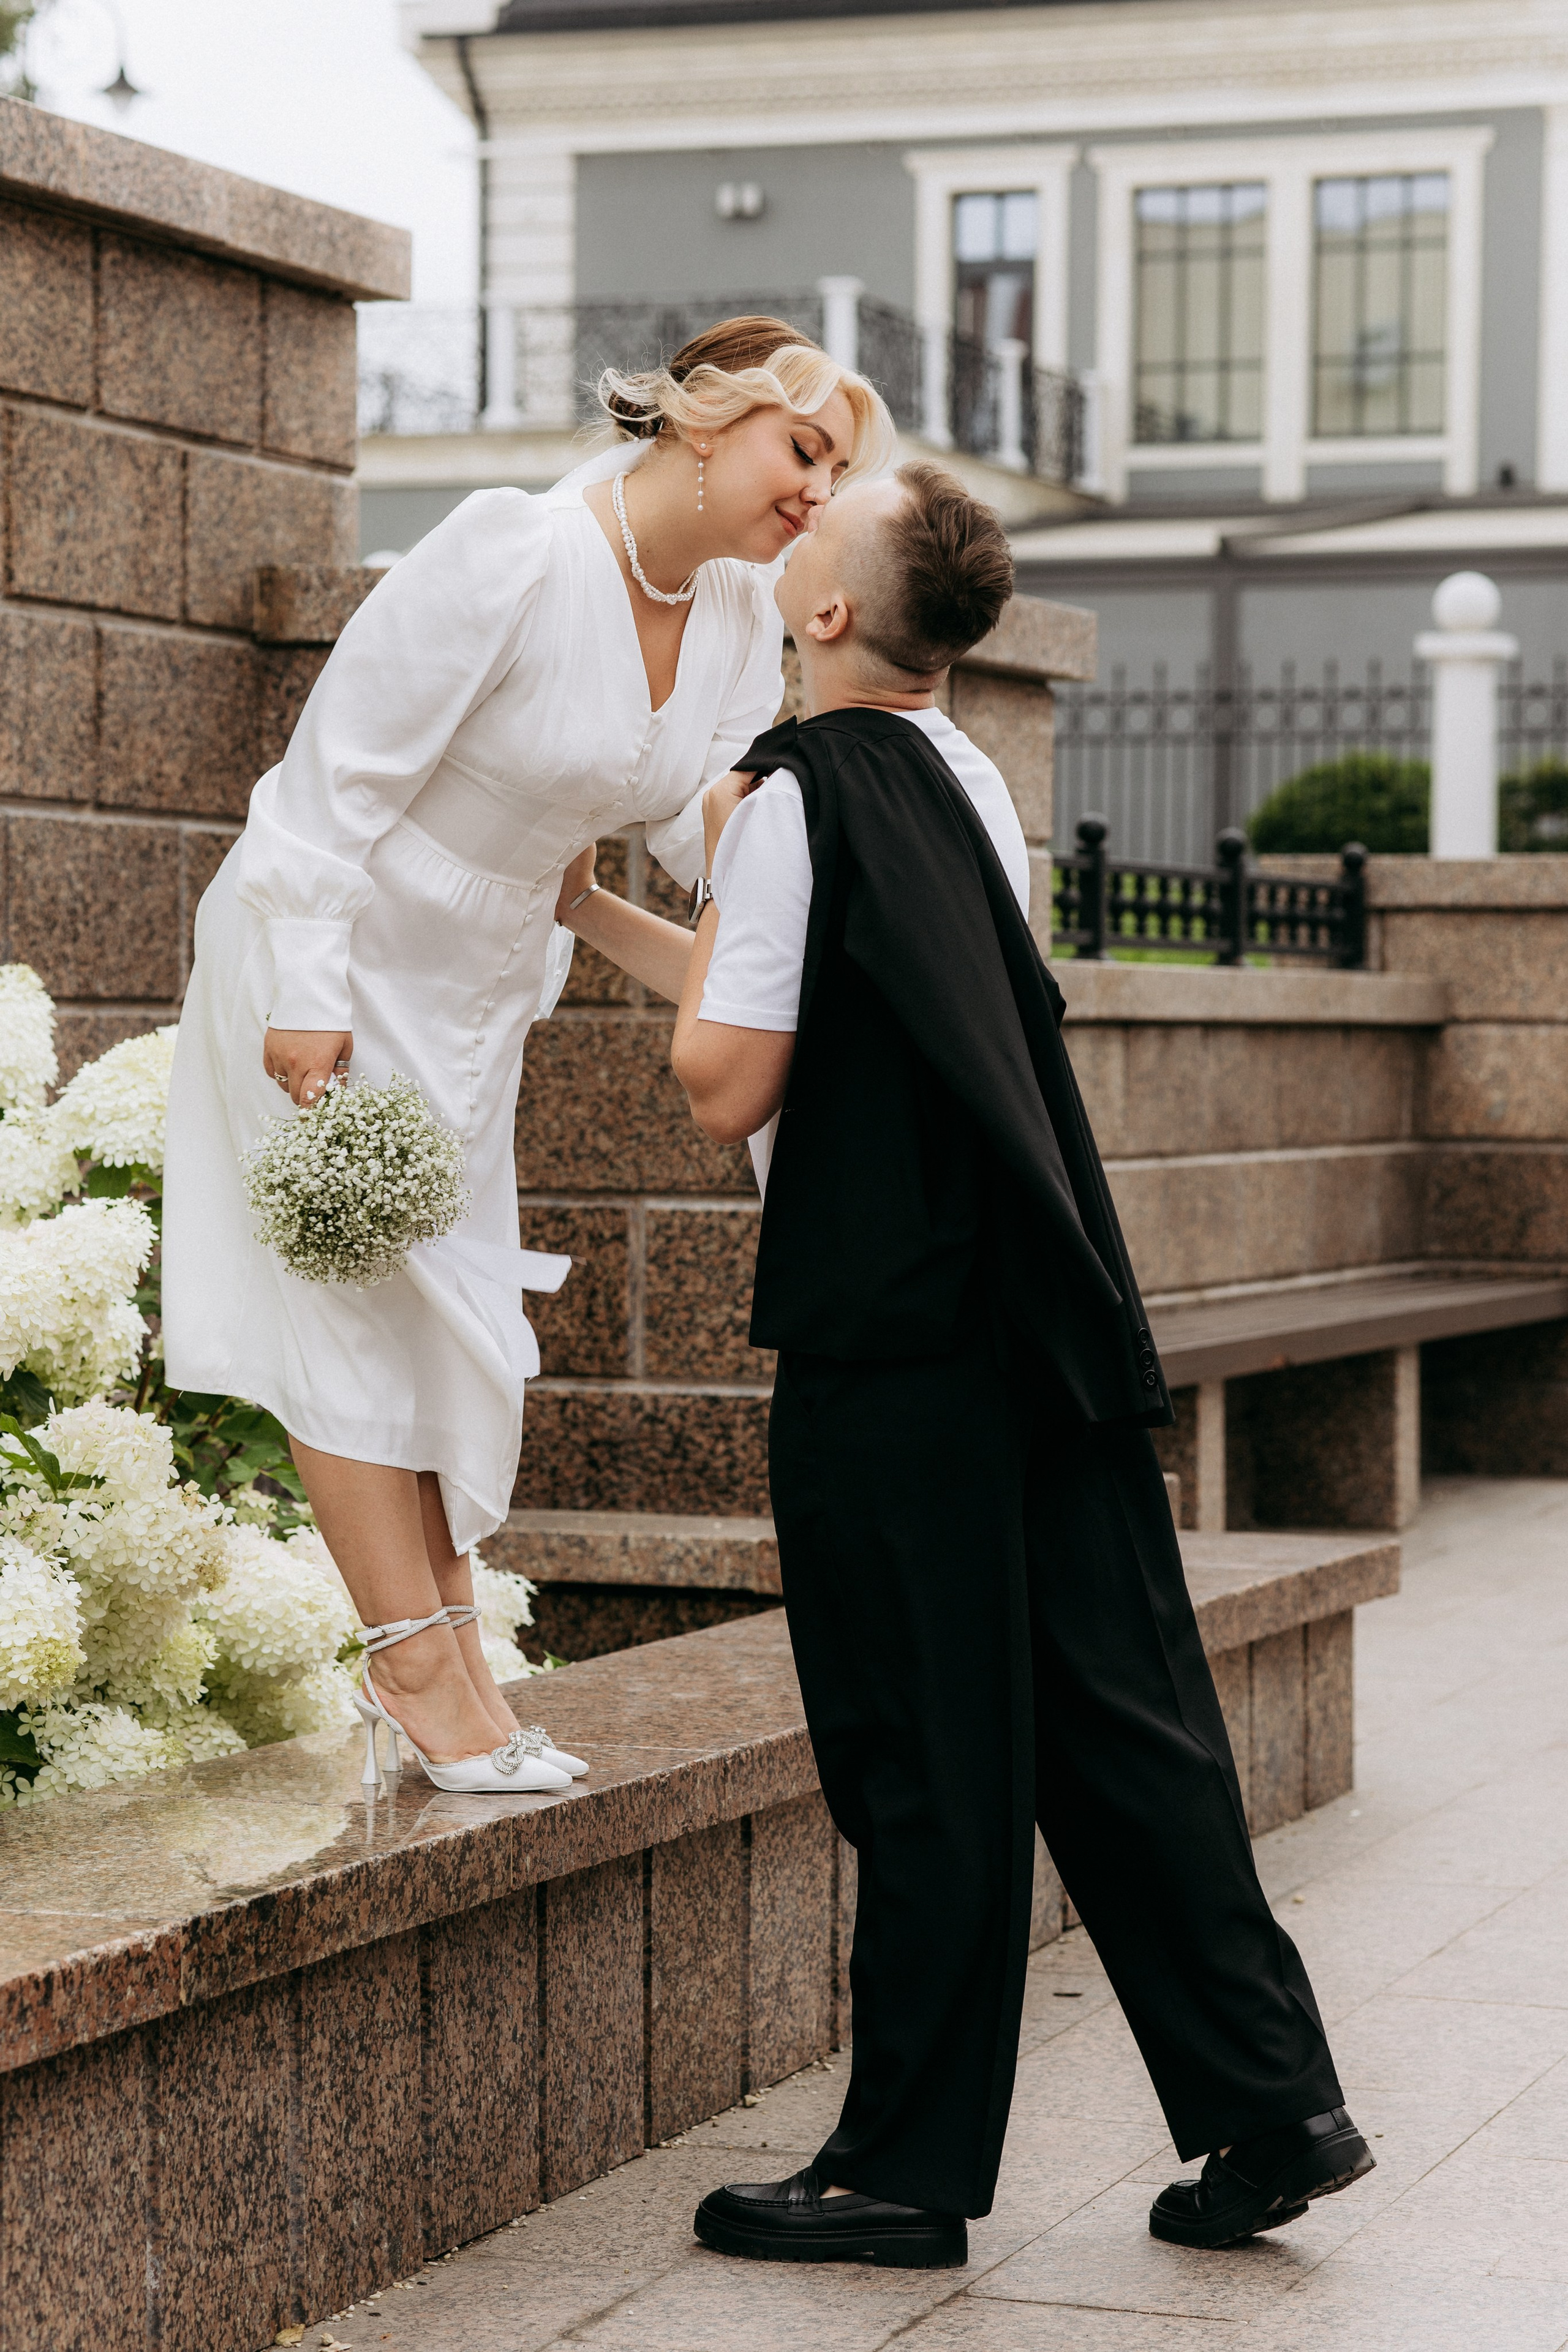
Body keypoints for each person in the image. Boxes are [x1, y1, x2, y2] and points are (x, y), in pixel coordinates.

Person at [562, 461, 1373, 2267]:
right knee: (1120, 1720)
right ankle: (1273, 2104)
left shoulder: (791, 795)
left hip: (895, 1332)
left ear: (829, 611)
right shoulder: (965, 778)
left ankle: (901, 2172)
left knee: (922, 1743)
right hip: (1041, 1307)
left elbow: (727, 1082)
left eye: (819, 526)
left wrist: (725, 842)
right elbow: (827, 1003)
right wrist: (596, 913)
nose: (796, 520)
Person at [161, 317, 895, 1795]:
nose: (819, 493)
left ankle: (455, 1669)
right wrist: (306, 991)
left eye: (838, 473)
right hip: (333, 956)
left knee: (447, 1326)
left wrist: (851, 899)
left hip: (480, 993)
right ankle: (414, 1669)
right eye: (804, 451)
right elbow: (326, 783)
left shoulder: (737, 614)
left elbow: (700, 828)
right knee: (352, 1313)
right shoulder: (514, 550)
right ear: (704, 419)